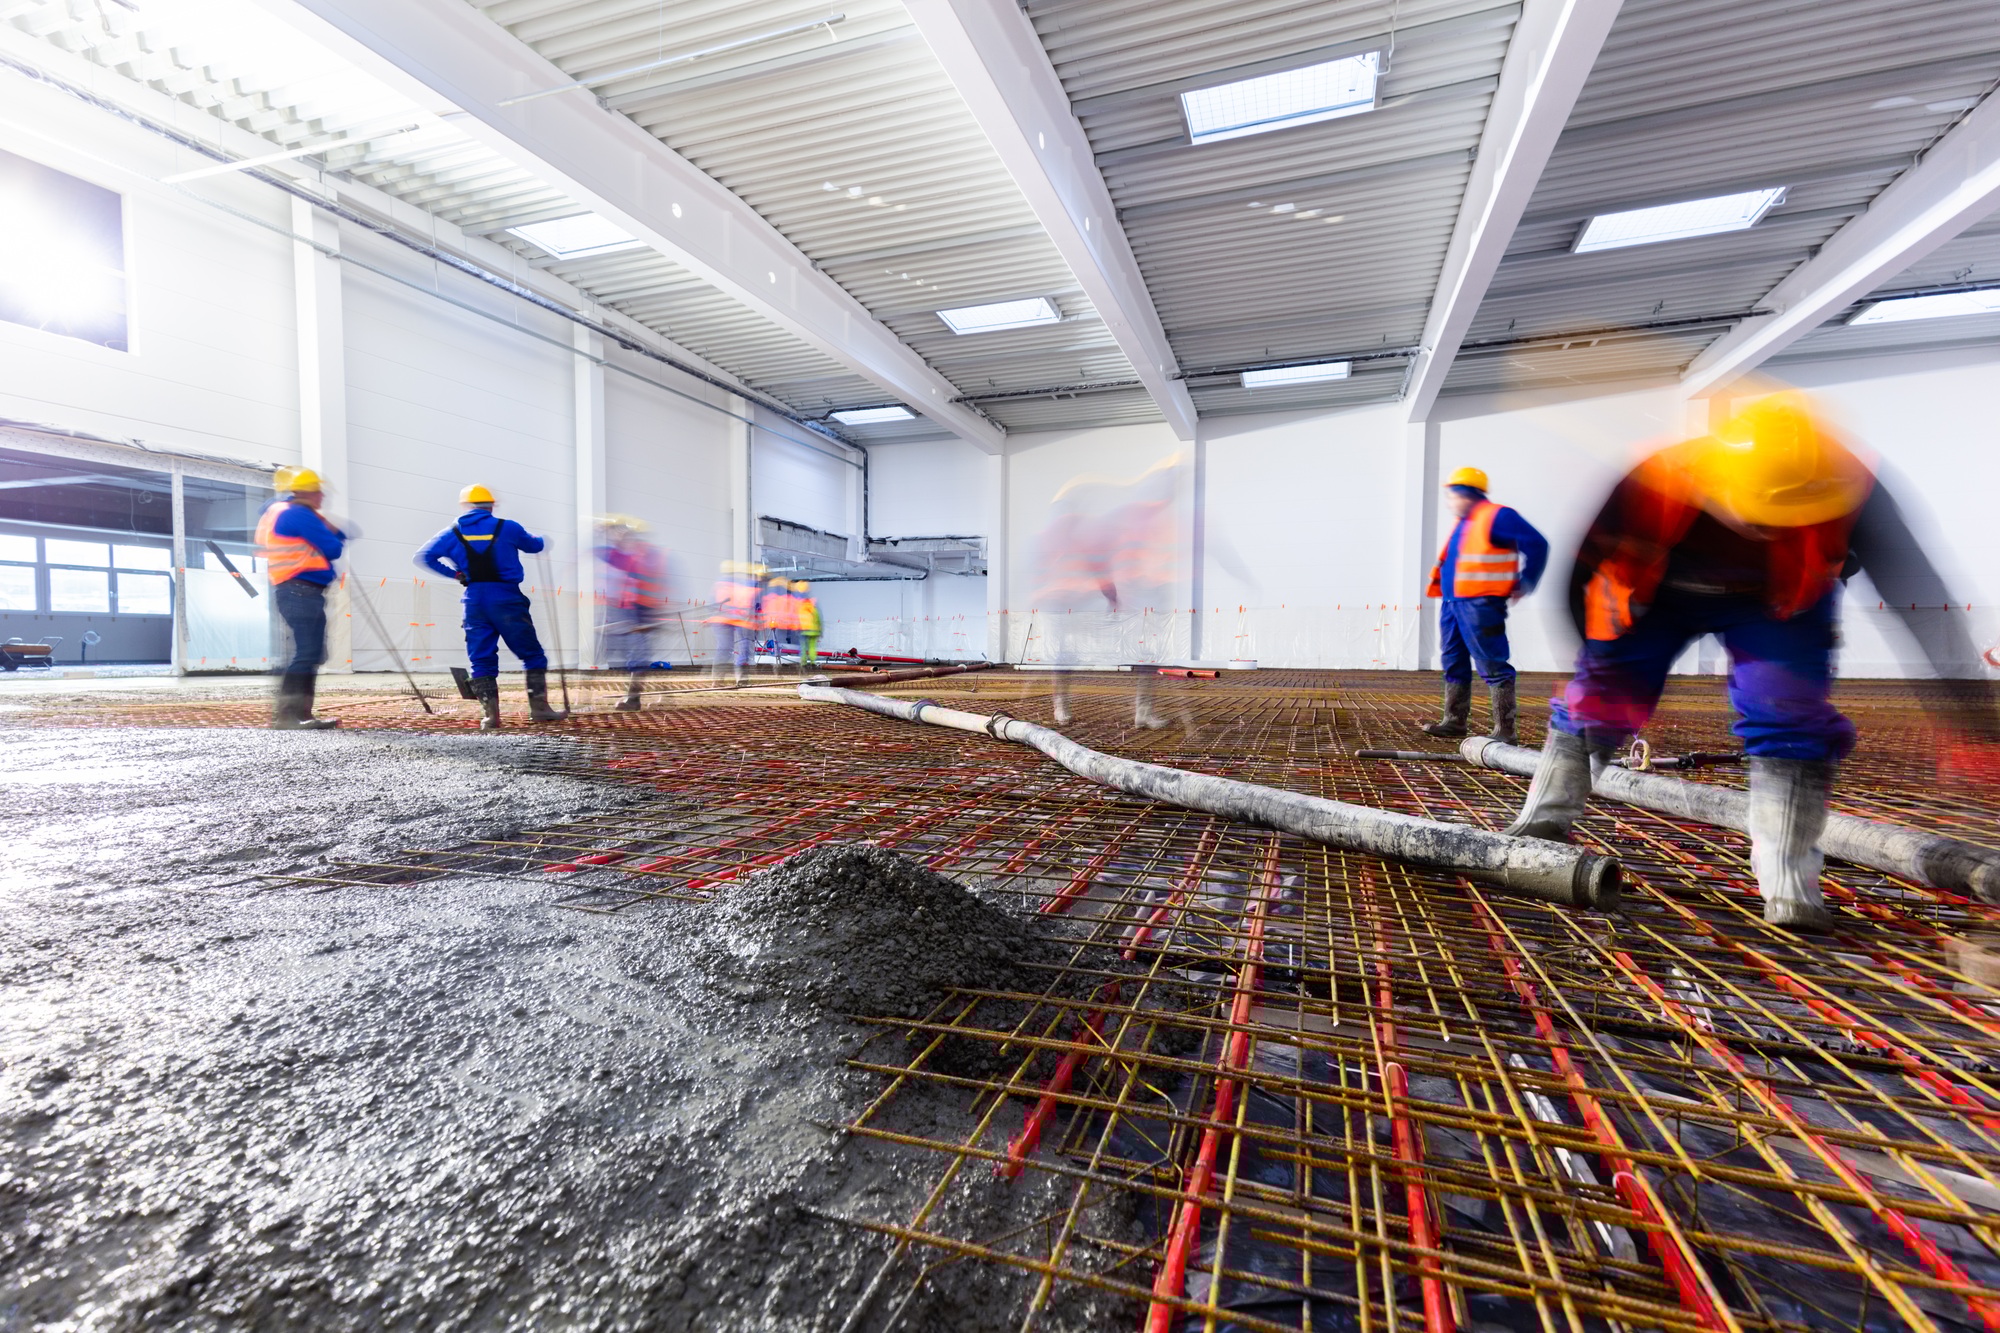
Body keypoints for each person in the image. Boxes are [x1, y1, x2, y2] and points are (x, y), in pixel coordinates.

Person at [1503, 391, 2000, 930]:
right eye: (1761, 515)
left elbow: (1919, 597)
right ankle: (1542, 826)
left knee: (1790, 715)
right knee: (1599, 701)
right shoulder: (1657, 479)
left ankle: (1788, 885)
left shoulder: (1852, 485)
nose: (1769, 526)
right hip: (1659, 594)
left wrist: (1972, 722)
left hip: (1779, 598)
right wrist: (1591, 665)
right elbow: (1579, 574)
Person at [417, 484, 568, 730]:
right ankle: (539, 709)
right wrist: (544, 540)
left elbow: (422, 557)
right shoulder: (508, 527)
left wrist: (455, 574)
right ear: (491, 505)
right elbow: (535, 546)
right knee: (532, 655)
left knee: (481, 659)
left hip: (474, 601)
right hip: (506, 599)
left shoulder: (451, 533)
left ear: (466, 506)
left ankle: (491, 717)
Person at [1420, 466, 1549, 745]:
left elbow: (1538, 544)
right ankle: (1454, 722)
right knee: (1453, 661)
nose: (1450, 502)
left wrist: (1526, 582)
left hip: (1480, 604)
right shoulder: (1464, 522)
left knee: (1491, 663)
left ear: (1466, 493)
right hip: (1453, 603)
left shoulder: (1498, 516)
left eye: (1452, 495)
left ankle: (1505, 729)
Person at [257, 466, 347, 730]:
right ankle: (288, 716)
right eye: (317, 492)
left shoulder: (282, 511)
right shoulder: (297, 514)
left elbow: (339, 536)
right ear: (305, 493)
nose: (322, 497)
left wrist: (324, 526)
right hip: (300, 590)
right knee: (307, 652)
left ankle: (301, 715)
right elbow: (334, 546)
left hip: (297, 591)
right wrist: (326, 528)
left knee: (312, 652)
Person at [595, 515, 667, 711]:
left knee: (637, 653)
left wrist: (648, 616)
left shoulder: (645, 555)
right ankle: (641, 694)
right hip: (631, 610)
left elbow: (647, 581)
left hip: (642, 611)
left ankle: (634, 698)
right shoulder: (635, 554)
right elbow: (609, 556)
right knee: (631, 653)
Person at [706, 561, 760, 685]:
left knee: (725, 649)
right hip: (733, 621)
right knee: (741, 649)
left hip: (727, 621)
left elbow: (711, 605)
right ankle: (741, 679)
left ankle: (718, 680)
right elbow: (745, 605)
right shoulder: (738, 584)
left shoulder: (721, 585)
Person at [762, 574, 798, 670]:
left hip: (778, 626)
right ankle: (777, 659)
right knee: (777, 642)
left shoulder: (774, 600)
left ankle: (778, 658)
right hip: (778, 626)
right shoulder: (780, 600)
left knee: (778, 642)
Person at [793, 580, 822, 668]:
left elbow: (796, 619)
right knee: (812, 647)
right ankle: (813, 662)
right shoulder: (813, 607)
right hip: (814, 630)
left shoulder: (800, 608)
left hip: (804, 630)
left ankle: (804, 663)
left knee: (803, 647)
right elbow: (818, 619)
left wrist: (796, 628)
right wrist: (820, 631)